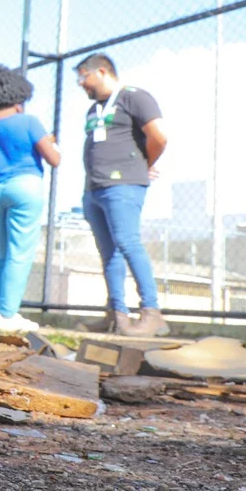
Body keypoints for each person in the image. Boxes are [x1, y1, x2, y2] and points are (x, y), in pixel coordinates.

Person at [75, 53, 169, 336]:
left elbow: (159, 137)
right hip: (94, 190)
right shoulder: (94, 110)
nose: (81, 84)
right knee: (109, 253)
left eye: (84, 77)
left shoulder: (134, 97)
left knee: (128, 243)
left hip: (123, 186)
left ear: (101, 72)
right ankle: (118, 315)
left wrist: (145, 164)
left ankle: (151, 313)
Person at [0, 66, 60, 336]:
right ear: (19, 96)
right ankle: (8, 315)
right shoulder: (29, 122)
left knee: (0, 252)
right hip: (25, 186)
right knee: (20, 252)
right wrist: (50, 143)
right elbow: (54, 159)